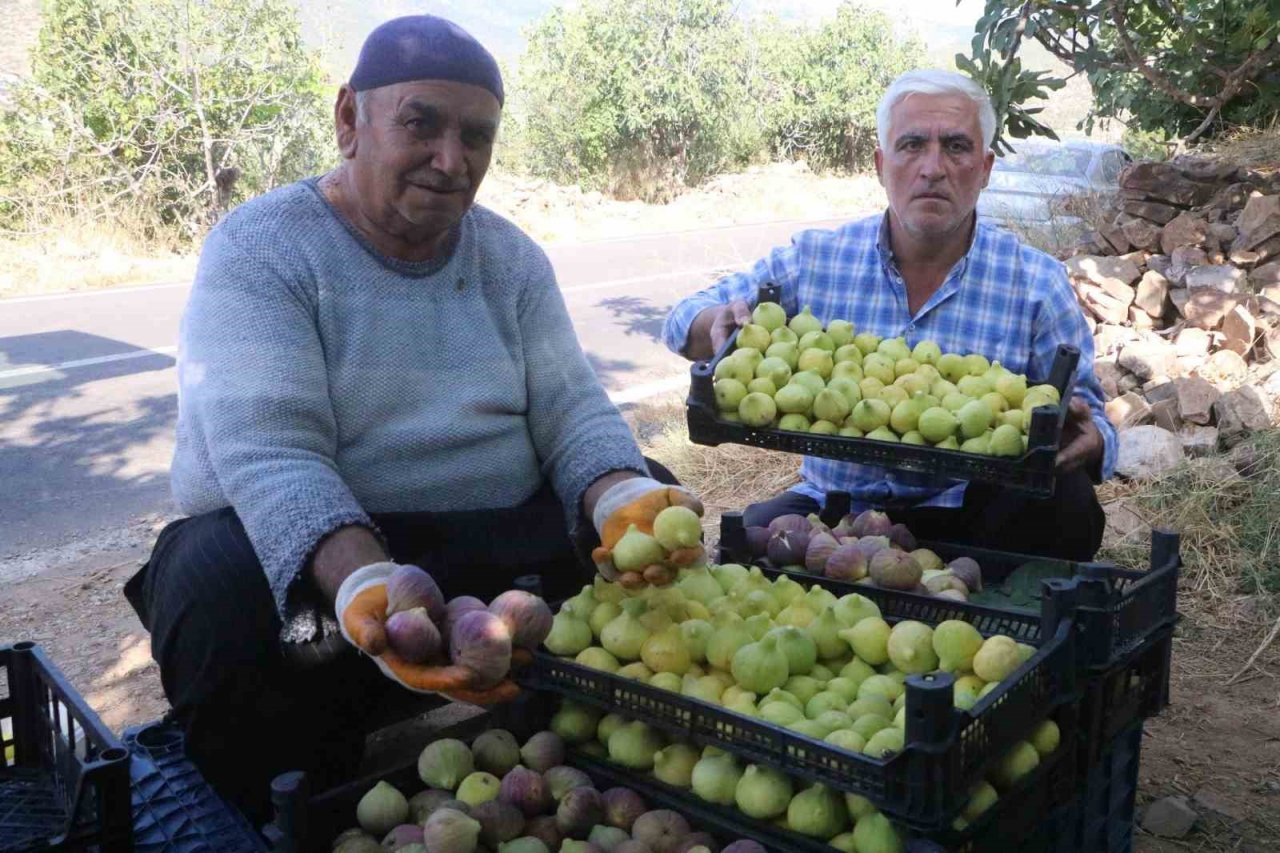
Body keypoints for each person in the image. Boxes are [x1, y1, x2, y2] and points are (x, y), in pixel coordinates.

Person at [124, 15, 699, 824]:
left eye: (477, 136)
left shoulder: (512, 259)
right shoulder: (262, 248)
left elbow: (574, 411)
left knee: (651, 497)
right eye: (421, 123)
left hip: (494, 547)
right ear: (349, 119)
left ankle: (596, 730)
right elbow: (272, 451)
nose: (451, 160)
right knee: (209, 574)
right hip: (332, 577)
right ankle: (283, 800)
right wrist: (369, 584)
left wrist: (619, 499)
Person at [663, 69, 1115, 561]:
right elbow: (681, 319)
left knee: (1071, 507)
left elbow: (1093, 418)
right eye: (912, 145)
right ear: (881, 164)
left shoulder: (1036, 283)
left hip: (969, 512)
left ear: (985, 169)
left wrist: (1090, 441)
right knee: (741, 550)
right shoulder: (818, 259)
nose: (933, 168)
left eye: (957, 147)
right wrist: (715, 324)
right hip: (833, 511)